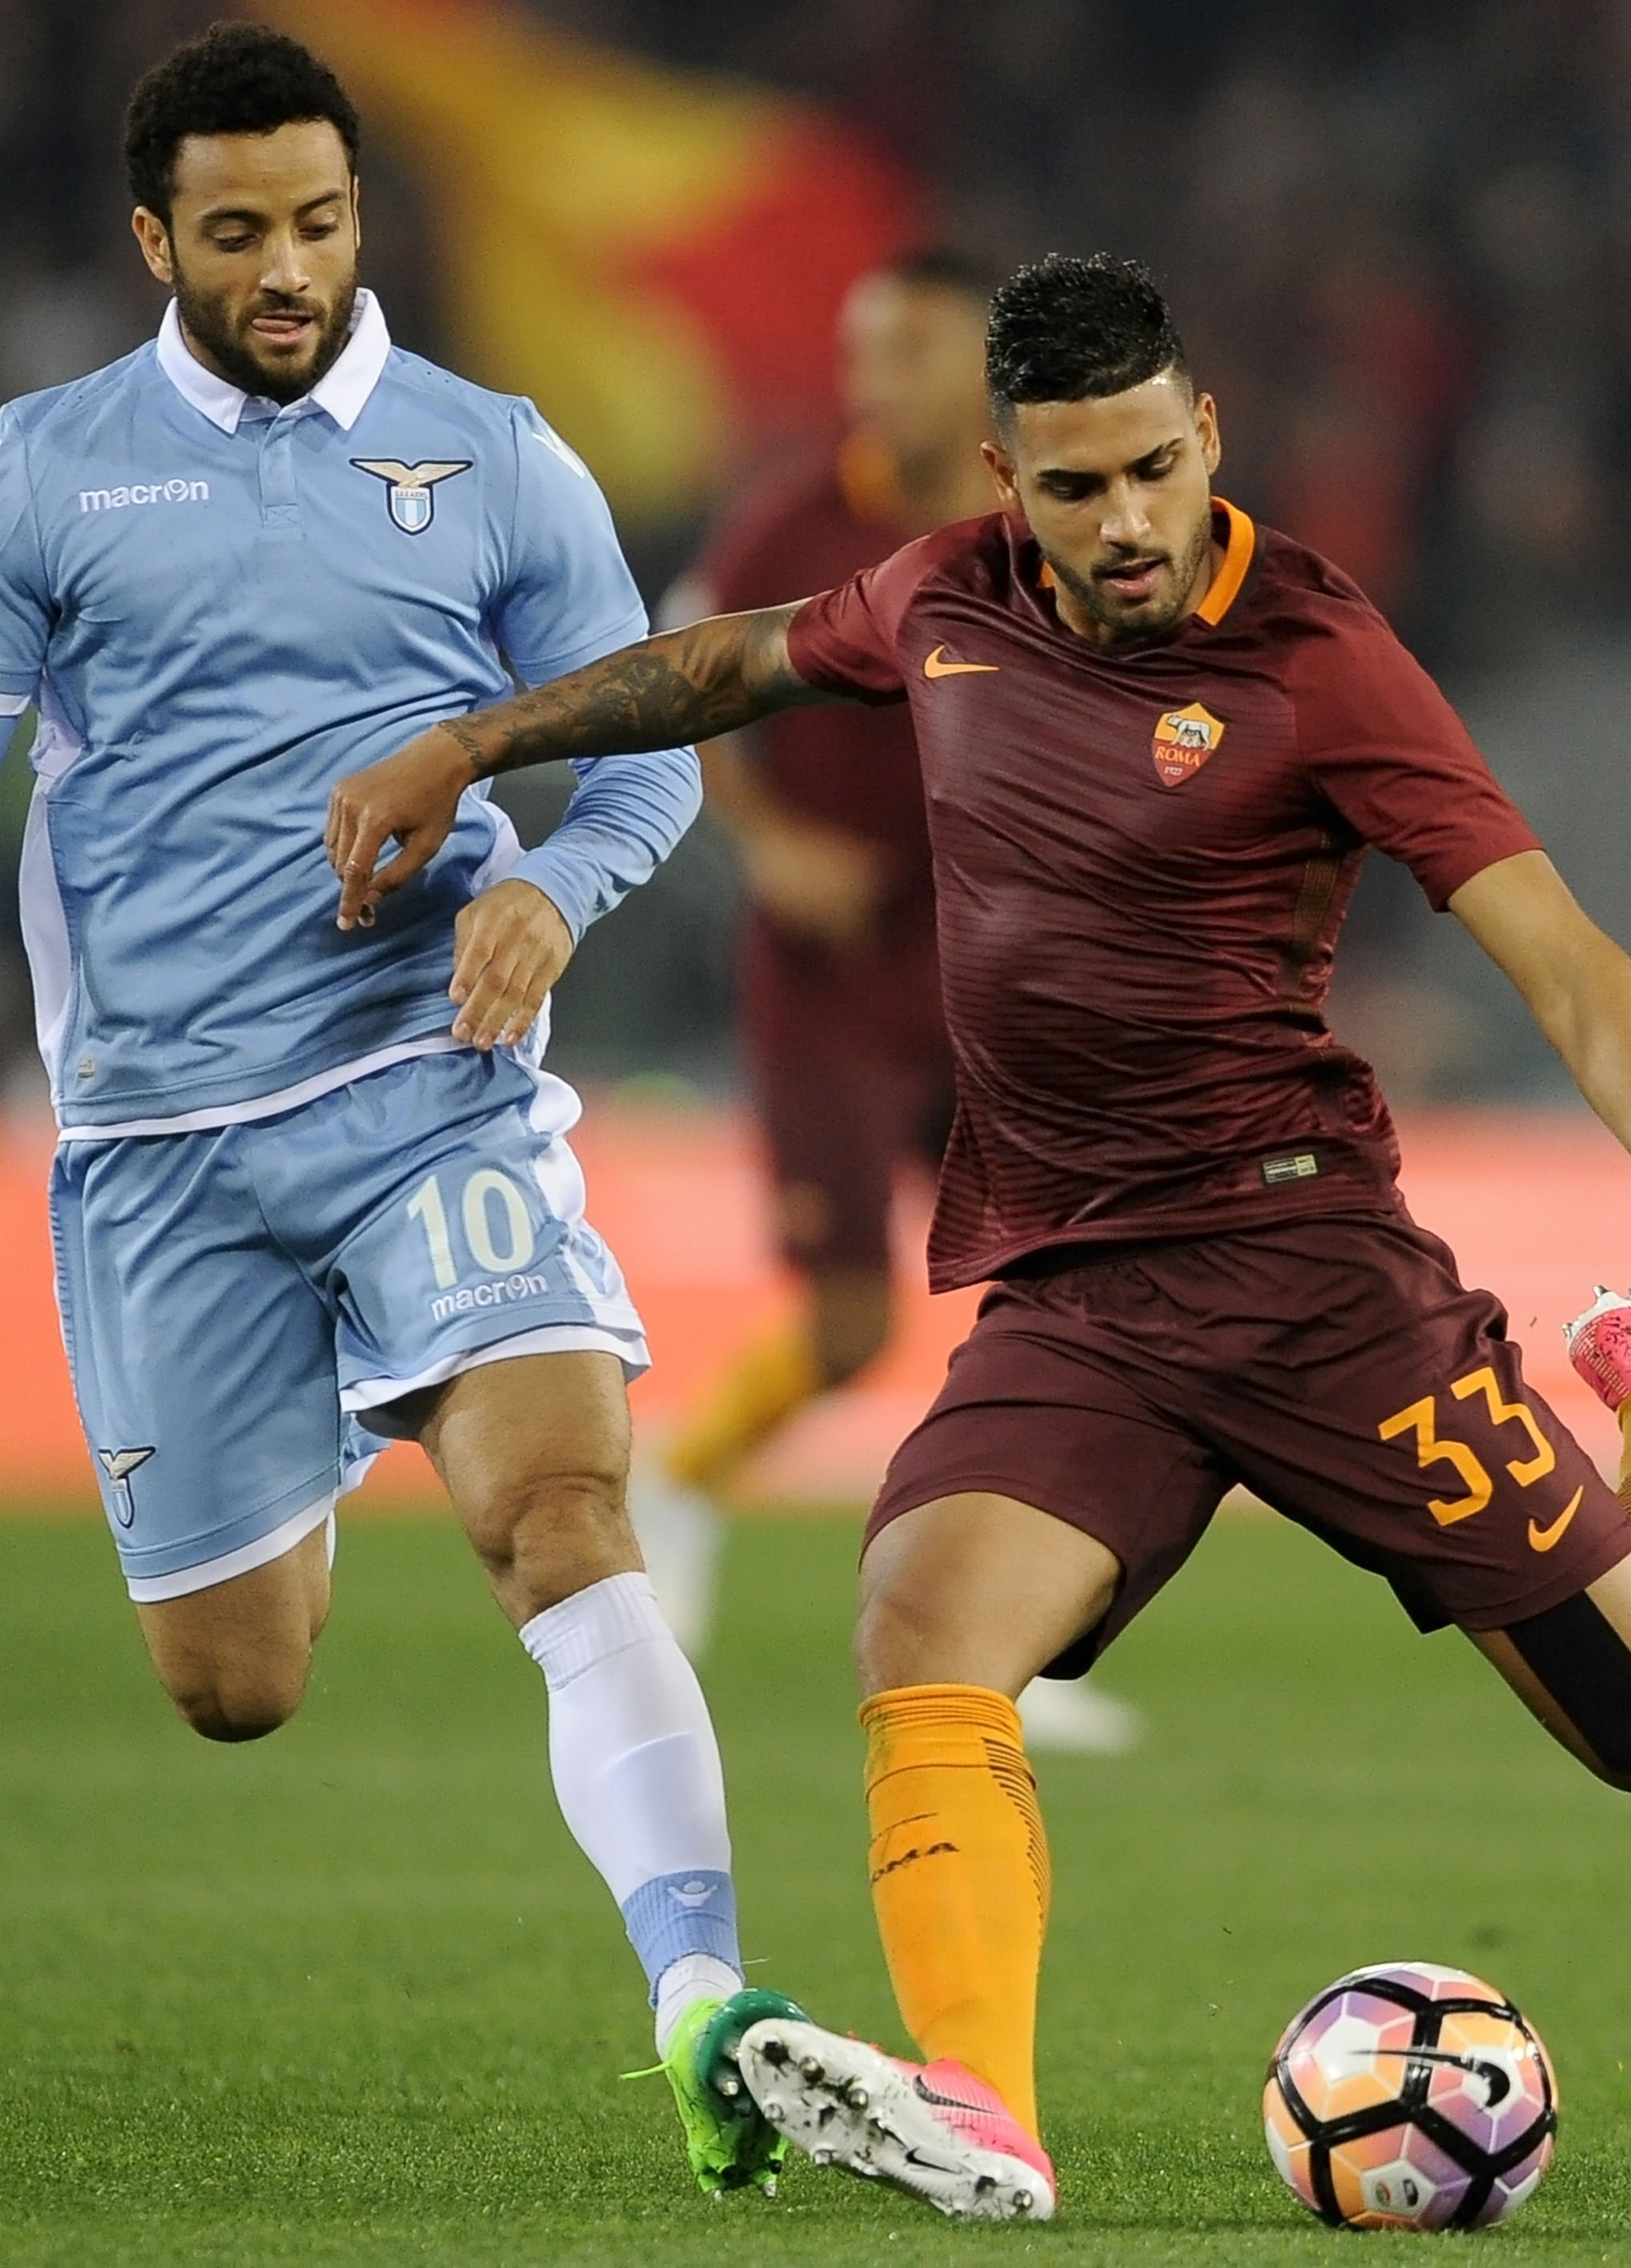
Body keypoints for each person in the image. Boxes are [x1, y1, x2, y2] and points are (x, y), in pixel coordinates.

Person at [320, 254, 1631, 2223]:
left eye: (1155, 467)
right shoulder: (941, 598)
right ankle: (979, 2108)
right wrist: (477, 745)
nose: (1127, 522)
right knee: (915, 1624)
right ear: (1003, 477)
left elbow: (1554, 949)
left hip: (1316, 1283)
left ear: (1209, 431)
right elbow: (730, 665)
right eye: (1077, 488)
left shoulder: (1318, 651)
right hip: (1077, 1294)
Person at [0, 24, 808, 2199]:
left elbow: (646, 751)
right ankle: (345, 1407)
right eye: (242, 231)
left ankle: (705, 1999)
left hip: (425, 1098)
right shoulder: (47, 469)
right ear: (154, 234)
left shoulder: (497, 456)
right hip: (162, 1147)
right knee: (236, 1686)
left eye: (325, 222)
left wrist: (547, 887)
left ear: (367, 217)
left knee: (560, 1509)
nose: (290, 268)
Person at [629, 247, 1141, 1755]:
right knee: (852, 1330)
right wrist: (772, 846)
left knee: (1070, 1299)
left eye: (905, 350)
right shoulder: (788, 525)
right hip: (831, 990)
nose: (872, 380)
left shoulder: (1027, 530)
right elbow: (686, 682)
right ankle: (684, 1476)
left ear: (973, 375)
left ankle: (1012, 1641)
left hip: (996, 977)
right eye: (863, 351)